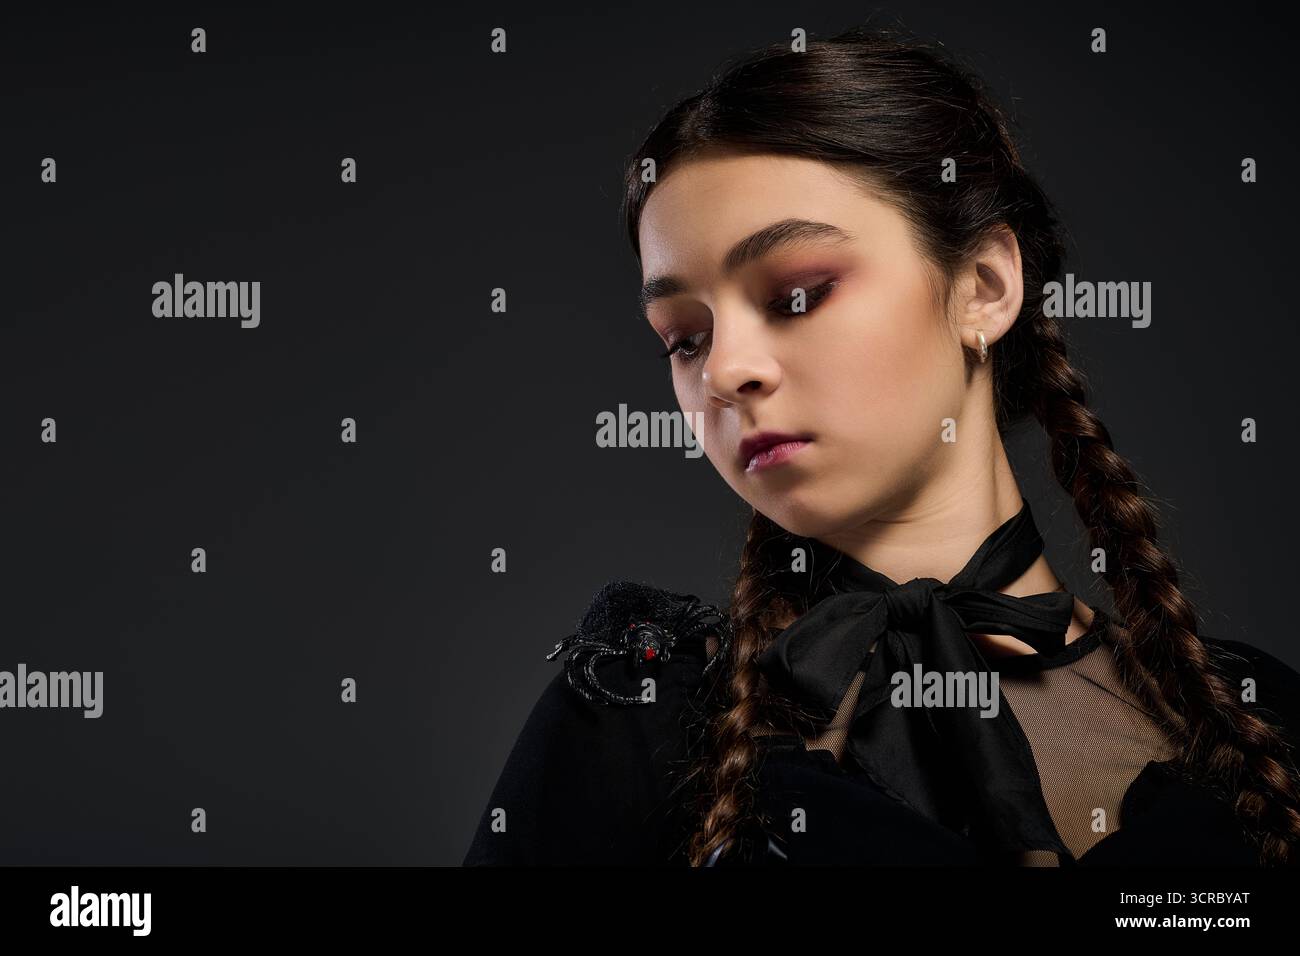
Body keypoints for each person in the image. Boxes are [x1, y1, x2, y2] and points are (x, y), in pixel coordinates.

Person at [463, 24, 1300, 866]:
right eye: (683, 337)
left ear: (984, 286)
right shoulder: (640, 707)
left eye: (796, 295)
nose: (724, 370)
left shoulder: (1257, 724)